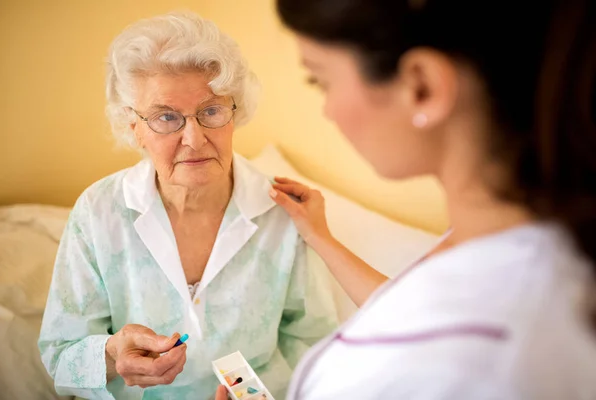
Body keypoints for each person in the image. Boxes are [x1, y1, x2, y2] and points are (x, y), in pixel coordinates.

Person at [214, 0, 596, 398]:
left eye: (322, 82)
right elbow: (410, 306)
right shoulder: (532, 229)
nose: (328, 110)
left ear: (423, 86)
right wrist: (321, 237)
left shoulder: (417, 368)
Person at [38, 12, 338, 400]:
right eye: (166, 117)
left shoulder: (282, 209)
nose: (194, 139)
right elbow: (60, 355)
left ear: (235, 112)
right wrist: (111, 356)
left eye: (211, 111)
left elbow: (313, 340)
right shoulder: (99, 211)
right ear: (134, 127)